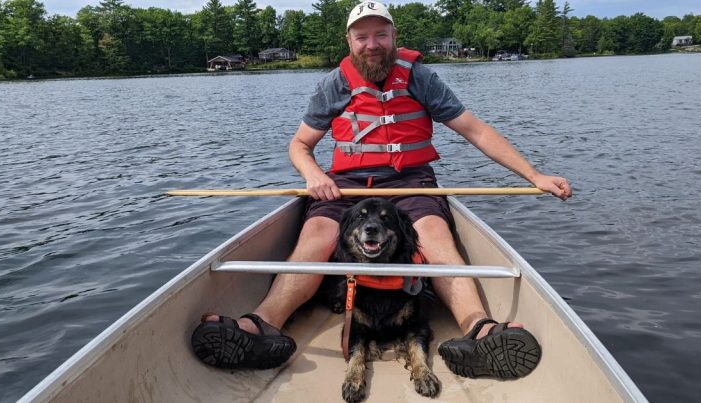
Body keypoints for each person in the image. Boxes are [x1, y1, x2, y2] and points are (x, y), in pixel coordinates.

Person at [191, 1, 572, 378]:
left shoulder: (420, 77)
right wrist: (314, 175)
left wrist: (533, 176)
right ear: (349, 41)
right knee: (316, 236)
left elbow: (476, 130)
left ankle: (479, 329)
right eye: (362, 37)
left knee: (435, 237)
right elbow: (299, 145)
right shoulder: (334, 83)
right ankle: (261, 325)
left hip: (409, 180)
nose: (372, 44)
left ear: (394, 37)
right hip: (348, 186)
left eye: (380, 35)